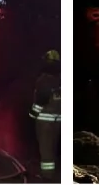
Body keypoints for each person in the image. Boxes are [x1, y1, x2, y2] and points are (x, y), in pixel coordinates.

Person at [29, 50, 62, 180]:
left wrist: (32, 115)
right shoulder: (61, 79)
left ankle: (47, 178)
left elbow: (41, 99)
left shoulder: (44, 80)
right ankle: (52, 175)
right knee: (52, 149)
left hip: (45, 122)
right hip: (58, 121)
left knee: (46, 151)